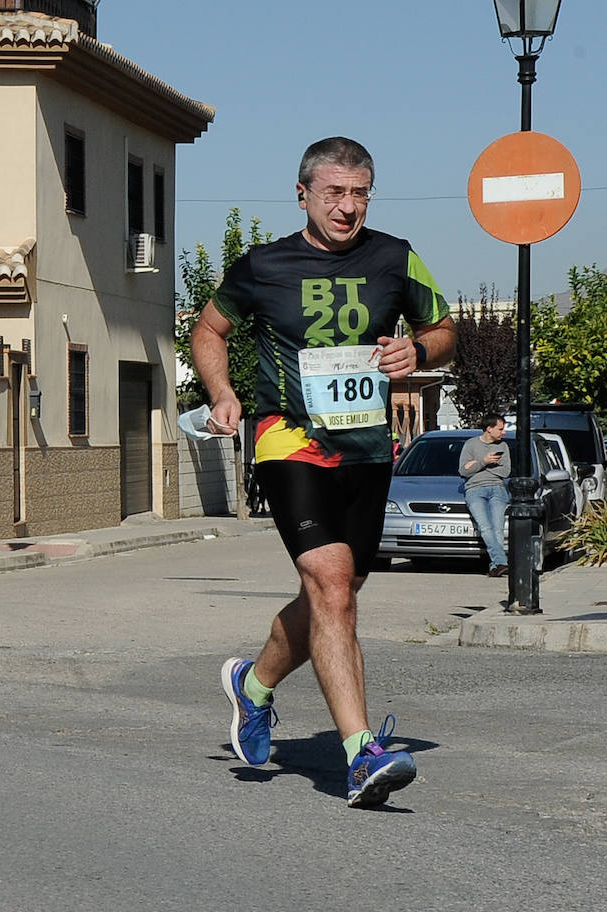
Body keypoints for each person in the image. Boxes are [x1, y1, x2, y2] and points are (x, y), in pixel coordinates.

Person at [190, 137, 456, 808]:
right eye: (334, 192)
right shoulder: (262, 265)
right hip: (291, 440)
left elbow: (446, 328)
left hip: (368, 449)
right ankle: (360, 753)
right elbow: (208, 330)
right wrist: (223, 393)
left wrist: (417, 347)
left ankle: (253, 684)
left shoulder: (395, 257)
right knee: (333, 589)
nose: (347, 206)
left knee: (334, 595)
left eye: (359, 192)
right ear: (303, 193)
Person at [459, 414, 511, 578]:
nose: (504, 432)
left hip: (497, 488)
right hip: (475, 489)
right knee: (485, 527)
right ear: (489, 428)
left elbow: (505, 471)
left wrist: (476, 465)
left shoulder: (503, 446)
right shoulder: (471, 445)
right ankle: (501, 561)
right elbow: (463, 471)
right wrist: (485, 461)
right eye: (500, 429)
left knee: (497, 528)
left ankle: (496, 566)